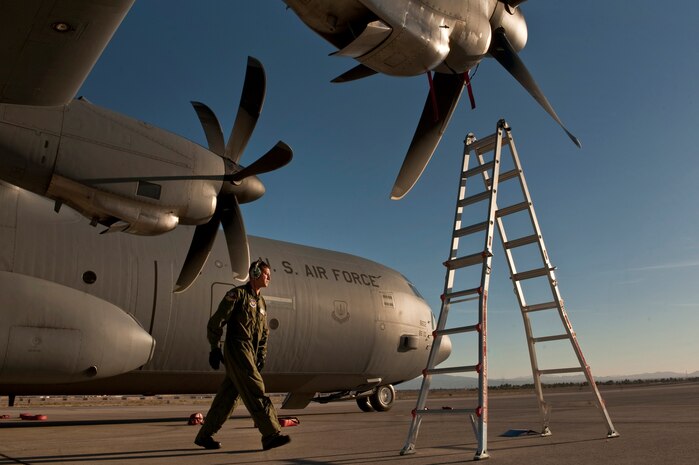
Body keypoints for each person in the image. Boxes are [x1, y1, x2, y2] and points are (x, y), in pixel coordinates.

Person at [194, 259, 290, 451]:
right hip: (238, 348)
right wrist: (214, 348)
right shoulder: (237, 295)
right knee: (256, 388)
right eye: (265, 273)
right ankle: (270, 434)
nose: (269, 277)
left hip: (251, 353)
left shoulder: (262, 303)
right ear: (254, 274)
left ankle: (205, 436)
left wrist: (261, 354)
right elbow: (216, 322)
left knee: (228, 397)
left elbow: (264, 333)